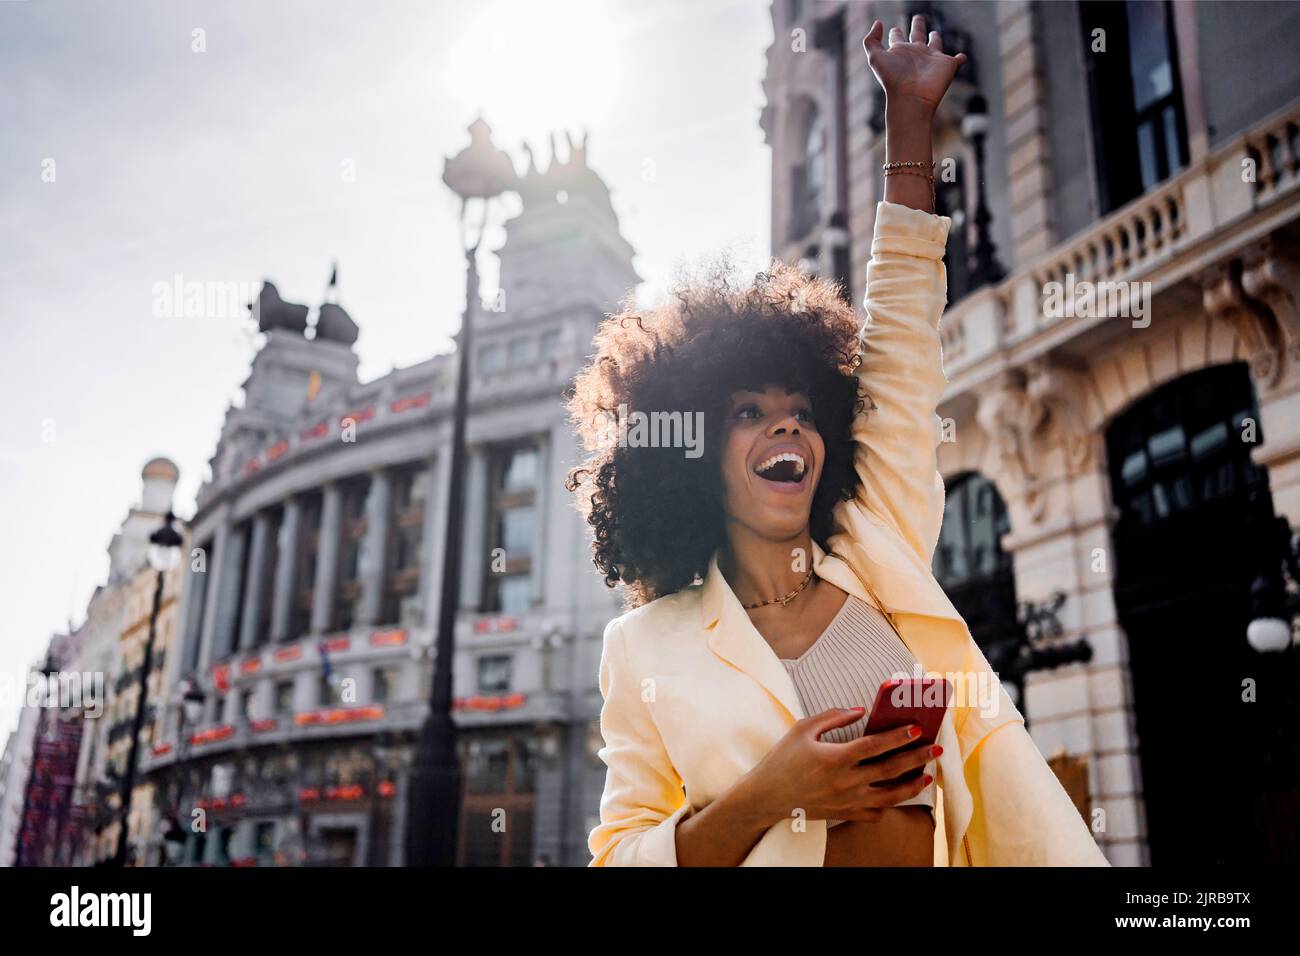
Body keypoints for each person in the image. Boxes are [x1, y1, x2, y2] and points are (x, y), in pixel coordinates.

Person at [567, 15, 1110, 867]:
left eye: (802, 410)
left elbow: (899, 346)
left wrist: (911, 120)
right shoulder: (641, 649)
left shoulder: (874, 542)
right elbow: (620, 857)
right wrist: (773, 792)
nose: (787, 425)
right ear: (692, 457)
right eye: (747, 411)